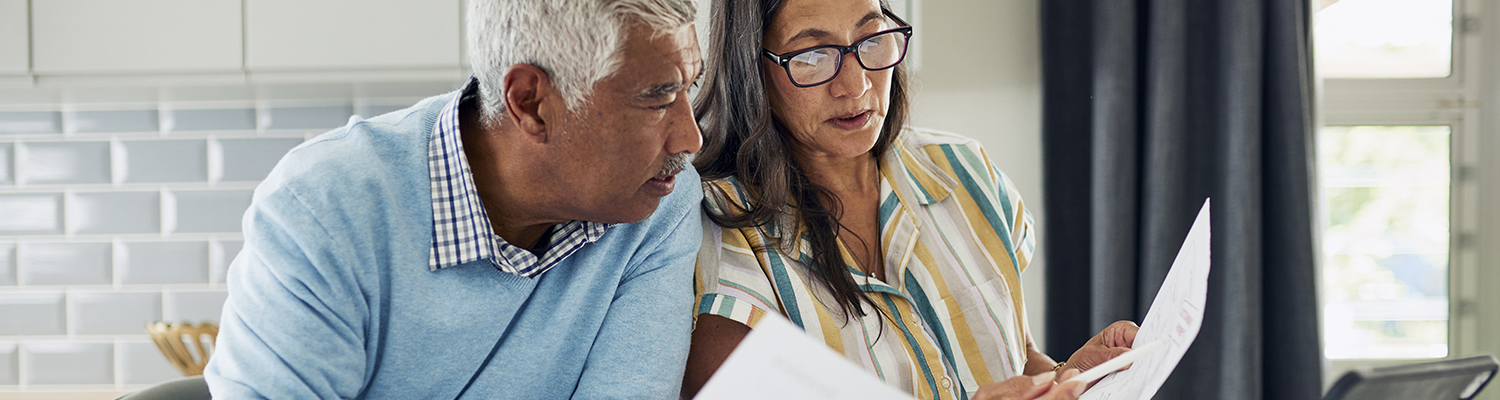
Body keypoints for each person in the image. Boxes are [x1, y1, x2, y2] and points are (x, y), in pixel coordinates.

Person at [204, 0, 704, 398]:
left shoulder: (661, 202)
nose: (691, 139)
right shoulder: (322, 208)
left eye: (690, 87)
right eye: (657, 99)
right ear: (530, 102)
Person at [683, 0, 1139, 399]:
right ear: (751, 64)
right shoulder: (716, 237)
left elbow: (1018, 359)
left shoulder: (967, 172)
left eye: (871, 38)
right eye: (814, 55)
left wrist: (1064, 375)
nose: (856, 84)